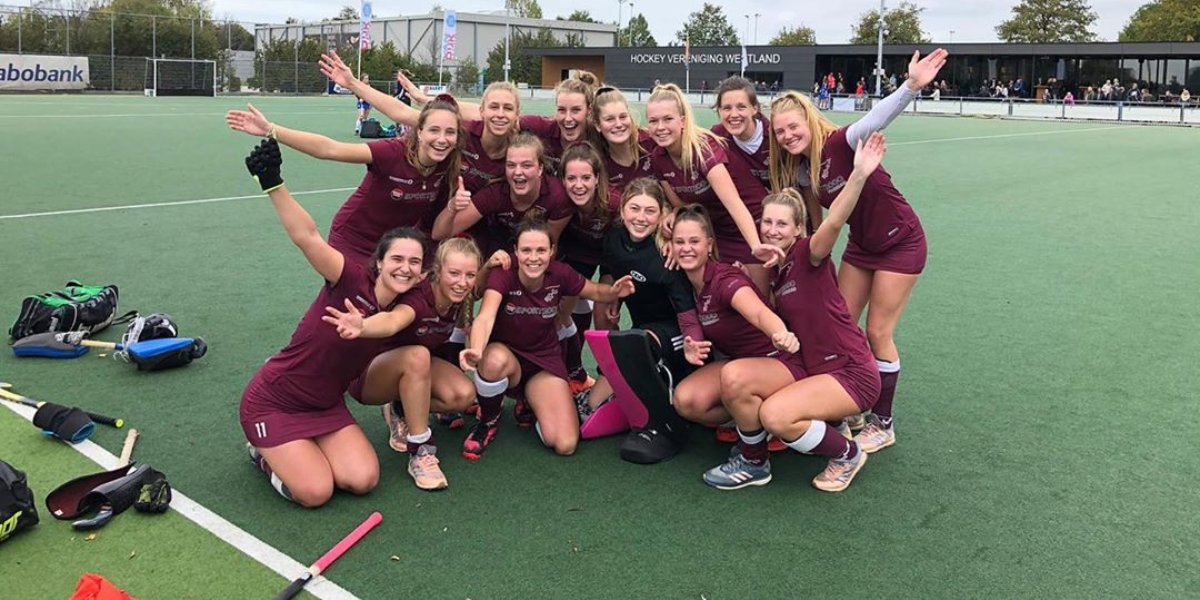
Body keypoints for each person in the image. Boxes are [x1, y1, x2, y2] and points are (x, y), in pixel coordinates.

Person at [767, 49, 946, 444]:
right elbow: (815, 225)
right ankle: (846, 407)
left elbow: (876, 118)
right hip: (862, 246)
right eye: (780, 132)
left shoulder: (842, 142)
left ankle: (883, 423)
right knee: (838, 325)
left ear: (809, 120)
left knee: (877, 331)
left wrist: (911, 86)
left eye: (793, 126)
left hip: (901, 242)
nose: (788, 135)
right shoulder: (802, 171)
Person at [238, 139, 425, 507]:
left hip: (325, 405)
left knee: (363, 479)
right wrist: (273, 183)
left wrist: (364, 327)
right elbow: (307, 238)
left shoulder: (409, 303)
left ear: (422, 273)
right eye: (397, 259)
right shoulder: (349, 278)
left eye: (414, 262)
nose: (404, 268)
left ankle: (299, 451)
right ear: (379, 262)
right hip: (275, 401)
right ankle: (262, 453)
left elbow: (391, 323)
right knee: (315, 492)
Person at [709, 133, 887, 493]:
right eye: (767, 222)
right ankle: (756, 460)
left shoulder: (808, 254)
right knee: (735, 378)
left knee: (775, 416)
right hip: (811, 368)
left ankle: (848, 454)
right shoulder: (777, 269)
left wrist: (858, 175)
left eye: (781, 224)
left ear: (798, 229)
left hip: (849, 371)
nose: (772, 230)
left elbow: (833, 224)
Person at [459, 220, 635, 459]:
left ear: (552, 251)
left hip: (543, 363)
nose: (533, 258)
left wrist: (614, 292)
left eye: (541, 250)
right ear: (516, 251)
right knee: (492, 360)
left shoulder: (560, 273)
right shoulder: (504, 273)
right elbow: (485, 316)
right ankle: (488, 421)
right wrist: (477, 349)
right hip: (508, 358)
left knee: (565, 444)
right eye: (526, 250)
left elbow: (594, 291)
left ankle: (531, 403)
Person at [224, 96, 466, 266]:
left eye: (450, 132)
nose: (442, 139)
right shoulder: (392, 152)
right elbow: (329, 149)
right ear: (419, 132)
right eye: (434, 130)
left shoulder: (448, 166)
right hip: (354, 241)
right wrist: (271, 129)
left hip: (396, 248)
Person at [322, 238, 484, 491]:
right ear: (438, 270)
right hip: (369, 373)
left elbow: (472, 321)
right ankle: (420, 451)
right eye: (454, 273)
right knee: (418, 355)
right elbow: (394, 320)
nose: (462, 282)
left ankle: (400, 407)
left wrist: (473, 349)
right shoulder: (420, 297)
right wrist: (363, 325)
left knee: (462, 395)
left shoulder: (460, 298)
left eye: (470, 275)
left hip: (412, 369)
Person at [581, 178, 706, 462]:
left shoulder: (667, 252)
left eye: (650, 211)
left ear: (662, 214)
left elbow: (687, 312)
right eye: (634, 209)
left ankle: (661, 424)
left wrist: (694, 344)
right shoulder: (615, 238)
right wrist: (616, 298)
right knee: (621, 344)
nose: (640, 218)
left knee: (638, 345)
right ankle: (613, 392)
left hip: (675, 329)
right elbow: (616, 270)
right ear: (622, 210)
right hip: (643, 327)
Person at [665, 205, 803, 454]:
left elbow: (758, 313)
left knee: (733, 376)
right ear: (671, 247)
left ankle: (757, 445)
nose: (686, 248)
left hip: (778, 360)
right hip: (739, 364)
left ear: (709, 245)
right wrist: (691, 346)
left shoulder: (725, 279)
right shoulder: (684, 283)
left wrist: (780, 333)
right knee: (686, 401)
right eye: (679, 242)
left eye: (694, 241)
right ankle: (752, 421)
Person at [645, 83, 783, 293]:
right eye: (653, 121)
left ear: (682, 121)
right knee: (718, 298)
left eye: (668, 119)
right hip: (716, 232)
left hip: (747, 226)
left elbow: (734, 204)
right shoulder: (658, 157)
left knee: (759, 300)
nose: (660, 127)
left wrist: (755, 245)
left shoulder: (703, 148)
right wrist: (673, 214)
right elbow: (683, 204)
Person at [431, 133, 573, 257]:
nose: (518, 172)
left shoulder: (557, 196)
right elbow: (438, 233)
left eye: (526, 165)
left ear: (540, 168)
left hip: (535, 258)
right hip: (499, 253)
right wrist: (453, 206)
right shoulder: (496, 193)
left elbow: (550, 248)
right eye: (511, 165)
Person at [558, 143, 621, 393]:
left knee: (604, 314)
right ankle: (574, 371)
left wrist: (615, 294)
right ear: (562, 180)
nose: (579, 185)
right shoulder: (560, 202)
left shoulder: (614, 204)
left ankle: (613, 378)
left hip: (609, 259)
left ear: (597, 178)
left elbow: (623, 252)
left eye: (585, 178)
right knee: (560, 311)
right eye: (571, 178)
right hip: (576, 255)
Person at [590, 86, 656, 198]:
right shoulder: (598, 161)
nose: (618, 124)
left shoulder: (651, 143)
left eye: (623, 117)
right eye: (609, 119)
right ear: (597, 125)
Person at [710, 76, 771, 191]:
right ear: (719, 110)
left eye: (741, 107)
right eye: (727, 108)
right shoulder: (716, 137)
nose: (734, 114)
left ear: (754, 108)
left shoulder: (775, 135)